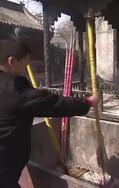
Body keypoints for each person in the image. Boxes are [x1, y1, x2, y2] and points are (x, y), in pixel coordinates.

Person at [0, 37, 98, 188]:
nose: (26, 71)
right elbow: (53, 104)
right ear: (11, 61)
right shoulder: (13, 87)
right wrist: (88, 103)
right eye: (25, 65)